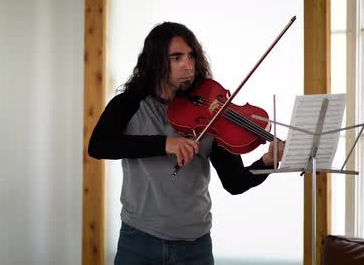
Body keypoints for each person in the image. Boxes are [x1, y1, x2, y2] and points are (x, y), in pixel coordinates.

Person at [88, 21, 284, 265]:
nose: (187, 65)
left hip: (195, 245)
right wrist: (165, 143)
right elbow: (99, 146)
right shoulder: (129, 104)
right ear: (156, 60)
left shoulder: (211, 112)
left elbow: (236, 182)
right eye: (176, 57)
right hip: (138, 240)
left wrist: (266, 162)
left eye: (191, 56)